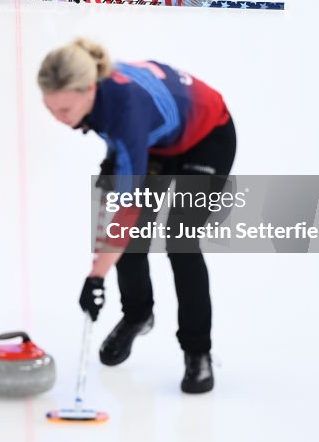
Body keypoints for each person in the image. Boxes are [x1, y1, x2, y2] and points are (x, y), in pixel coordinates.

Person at [37, 39, 236, 394]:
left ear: (88, 91)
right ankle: (138, 313)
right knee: (131, 238)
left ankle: (197, 352)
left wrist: (96, 277)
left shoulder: (127, 112)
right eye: (51, 109)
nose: (59, 119)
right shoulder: (97, 92)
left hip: (208, 136)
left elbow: (126, 210)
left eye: (65, 110)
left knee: (181, 242)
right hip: (157, 141)